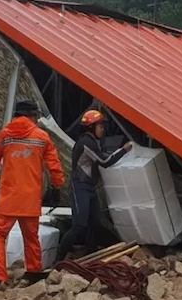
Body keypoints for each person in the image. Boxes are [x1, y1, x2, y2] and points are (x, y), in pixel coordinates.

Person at [0, 100, 65, 287]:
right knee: (31, 237)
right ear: (32, 116)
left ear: (16, 115)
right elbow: (54, 165)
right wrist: (57, 187)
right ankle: (33, 271)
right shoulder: (42, 137)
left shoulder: (5, 135)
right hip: (31, 199)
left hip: (8, 198)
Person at [57, 109, 132, 260]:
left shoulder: (92, 143)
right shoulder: (86, 143)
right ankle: (58, 258)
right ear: (91, 127)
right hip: (80, 187)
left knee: (95, 224)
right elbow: (105, 162)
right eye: (100, 126)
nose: (102, 129)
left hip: (89, 188)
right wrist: (123, 150)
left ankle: (90, 256)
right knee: (79, 226)